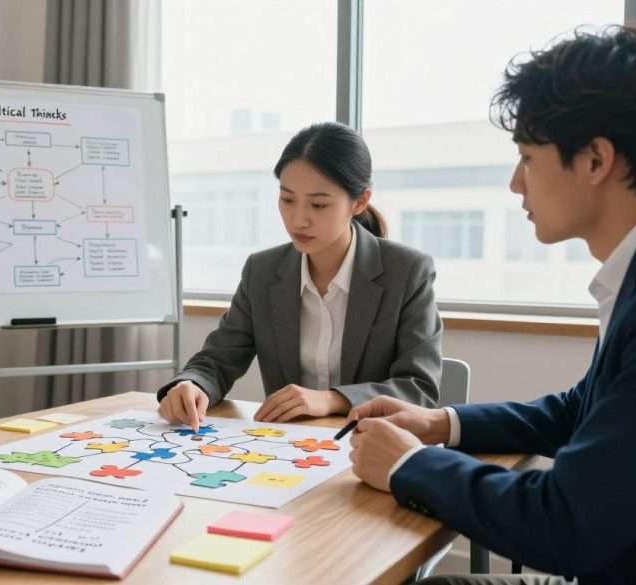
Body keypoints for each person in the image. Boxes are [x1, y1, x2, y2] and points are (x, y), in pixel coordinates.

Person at [347, 27, 636, 585]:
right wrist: (441, 424)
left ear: (595, 160)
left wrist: (408, 464)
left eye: (528, 158)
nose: (515, 184)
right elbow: (581, 410)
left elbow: (566, 522)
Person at [157, 122, 442, 431]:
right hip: (288, 451)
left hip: (372, 445)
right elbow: (216, 360)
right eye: (287, 199)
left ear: (359, 202)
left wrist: (333, 399)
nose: (298, 219)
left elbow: (419, 389)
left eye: (318, 204)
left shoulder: (408, 272)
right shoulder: (262, 272)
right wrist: (193, 384)